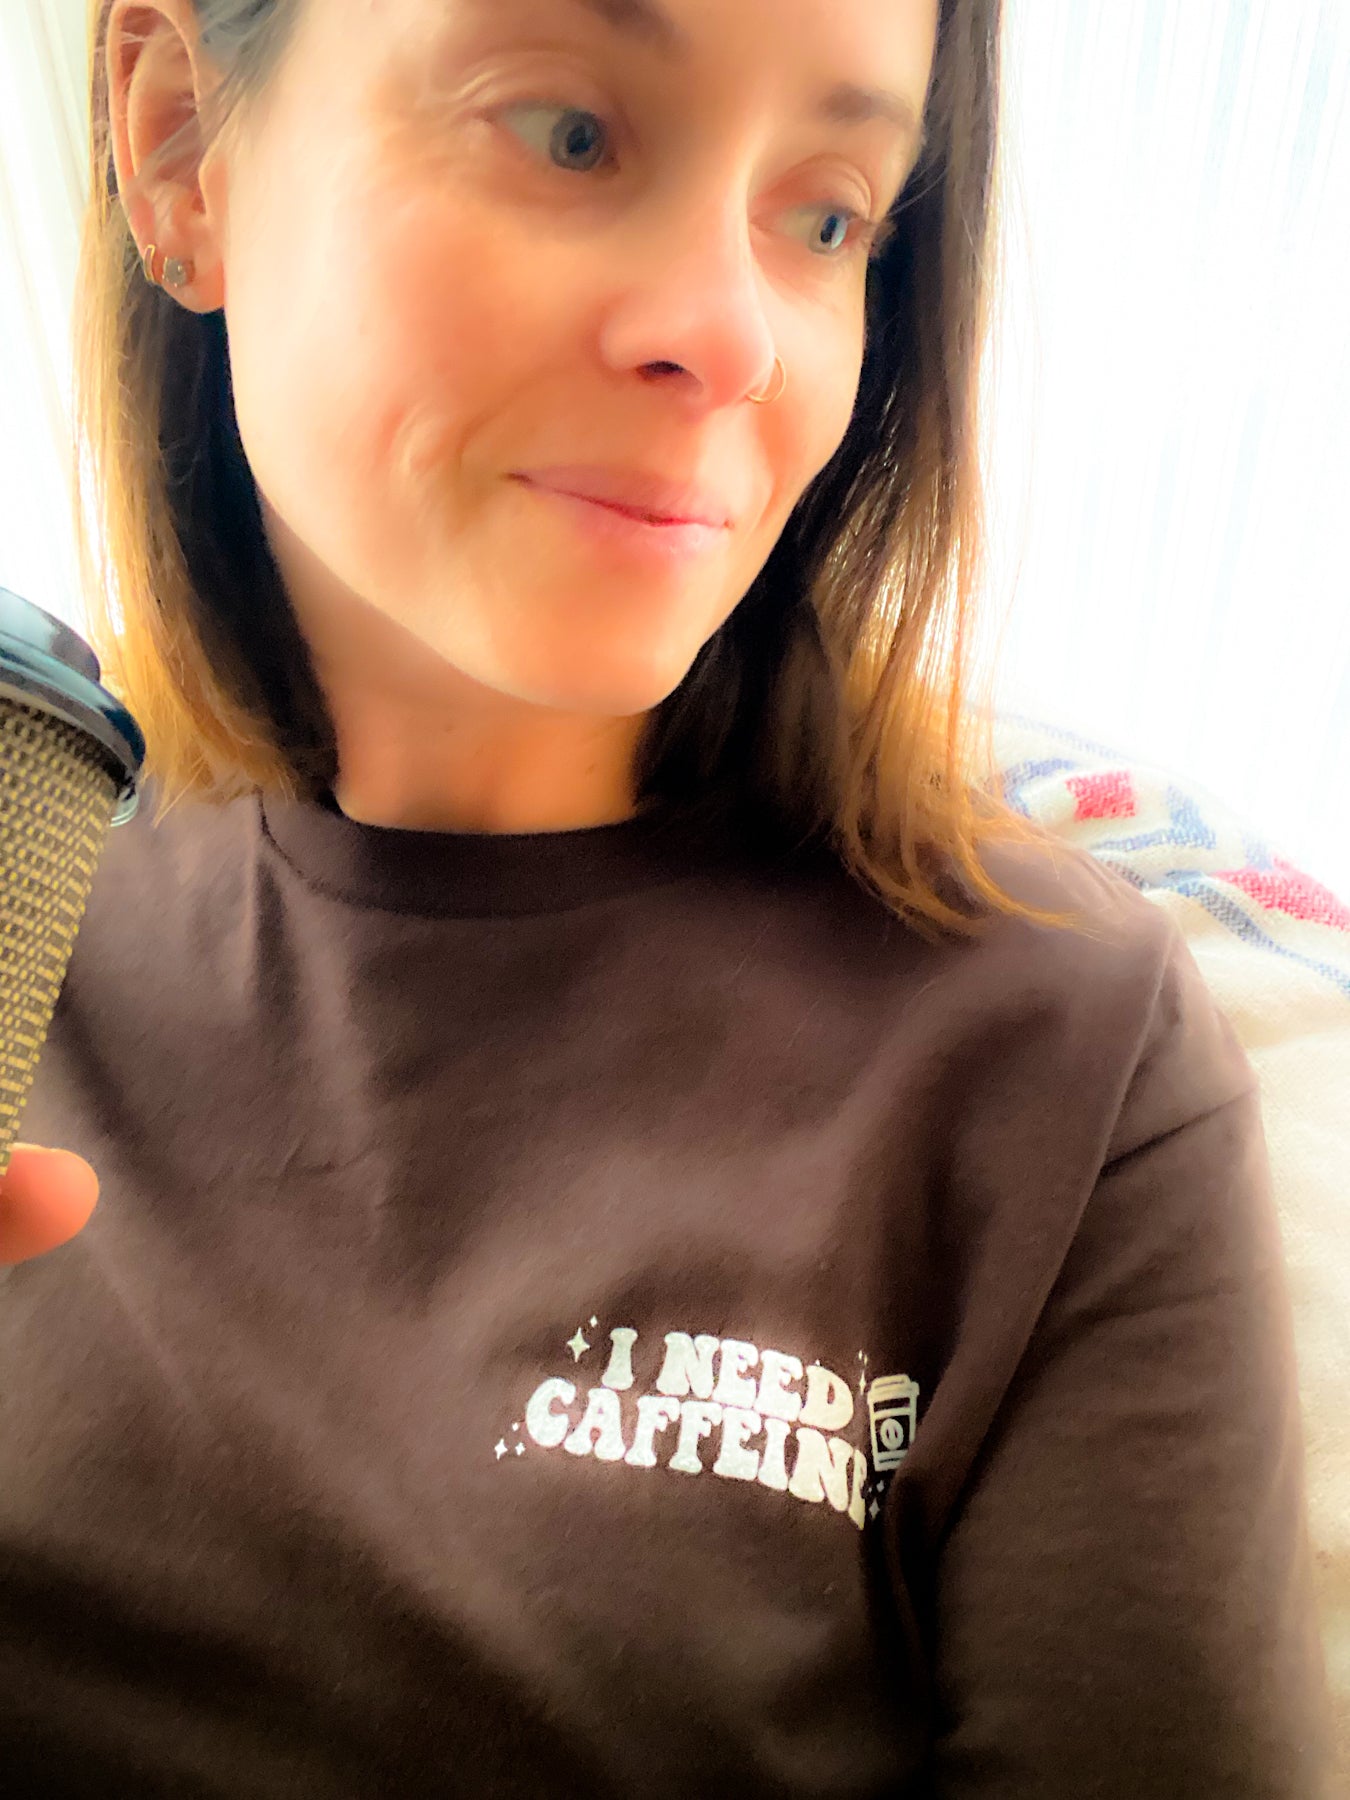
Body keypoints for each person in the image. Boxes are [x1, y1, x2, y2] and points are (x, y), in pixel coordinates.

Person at [0, 0, 1335, 1793]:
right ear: (176, 142)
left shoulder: (1059, 1062)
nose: (729, 334)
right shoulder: (32, 895)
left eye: (828, 214)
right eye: (568, 132)